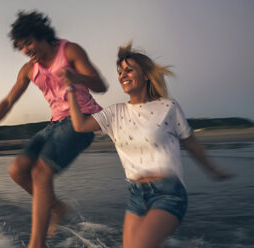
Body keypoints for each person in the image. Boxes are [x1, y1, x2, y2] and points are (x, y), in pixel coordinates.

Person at [62, 42, 232, 248]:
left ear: (146, 76)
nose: (122, 75)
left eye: (129, 70)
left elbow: (191, 143)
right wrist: (71, 88)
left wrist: (213, 170)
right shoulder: (114, 113)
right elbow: (80, 125)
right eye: (119, 72)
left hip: (168, 194)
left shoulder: (168, 107)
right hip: (136, 195)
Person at [0, 11, 107, 248]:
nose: (26, 49)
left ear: (43, 35)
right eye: (22, 46)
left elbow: (101, 85)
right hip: (54, 124)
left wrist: (76, 77)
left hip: (81, 119)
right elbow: (9, 101)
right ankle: (57, 207)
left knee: (41, 172)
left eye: (29, 42)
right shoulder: (28, 69)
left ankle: (36, 244)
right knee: (17, 171)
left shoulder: (70, 51)